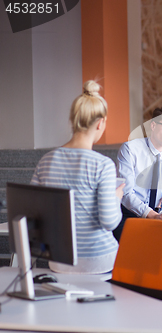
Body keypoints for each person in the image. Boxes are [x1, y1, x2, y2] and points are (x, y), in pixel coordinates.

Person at [31, 80, 123, 274]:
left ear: (73, 120)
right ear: (100, 123)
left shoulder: (46, 161)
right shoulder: (103, 165)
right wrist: (117, 197)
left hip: (58, 261)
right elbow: (109, 222)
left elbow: (33, 213)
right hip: (99, 262)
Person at [116, 105, 162, 297]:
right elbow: (127, 194)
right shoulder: (130, 149)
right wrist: (152, 215)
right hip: (128, 214)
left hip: (157, 214)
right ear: (153, 126)